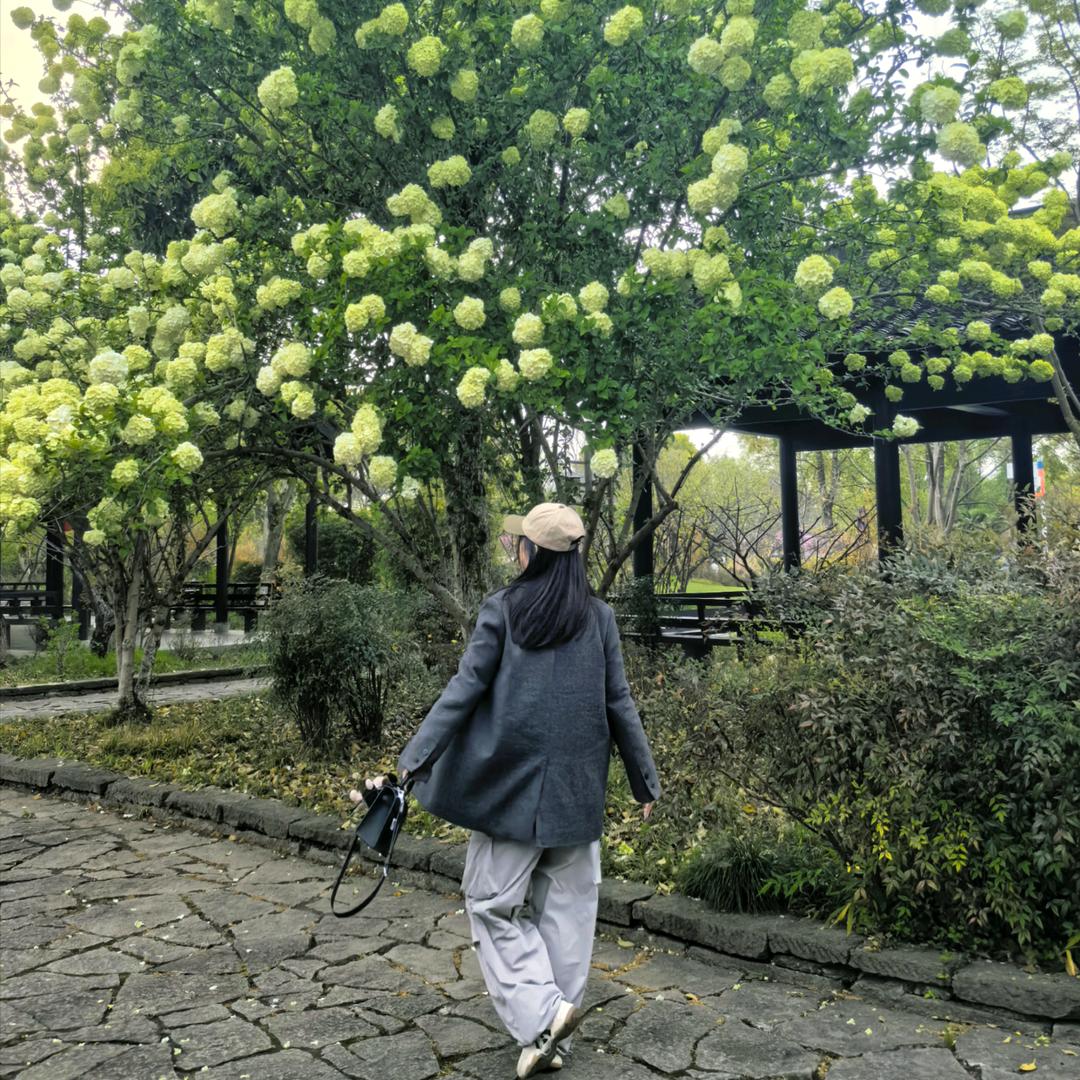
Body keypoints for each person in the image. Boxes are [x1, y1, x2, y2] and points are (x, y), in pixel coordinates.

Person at [351, 502, 661, 1078]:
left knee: (492, 904)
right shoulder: (599, 618)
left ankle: (543, 1018)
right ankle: (551, 1039)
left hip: (512, 795)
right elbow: (619, 702)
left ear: (532, 552)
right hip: (577, 795)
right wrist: (646, 781)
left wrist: (410, 763)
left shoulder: (503, 610)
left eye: (517, 542)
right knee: (567, 914)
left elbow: (462, 692)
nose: (512, 549)